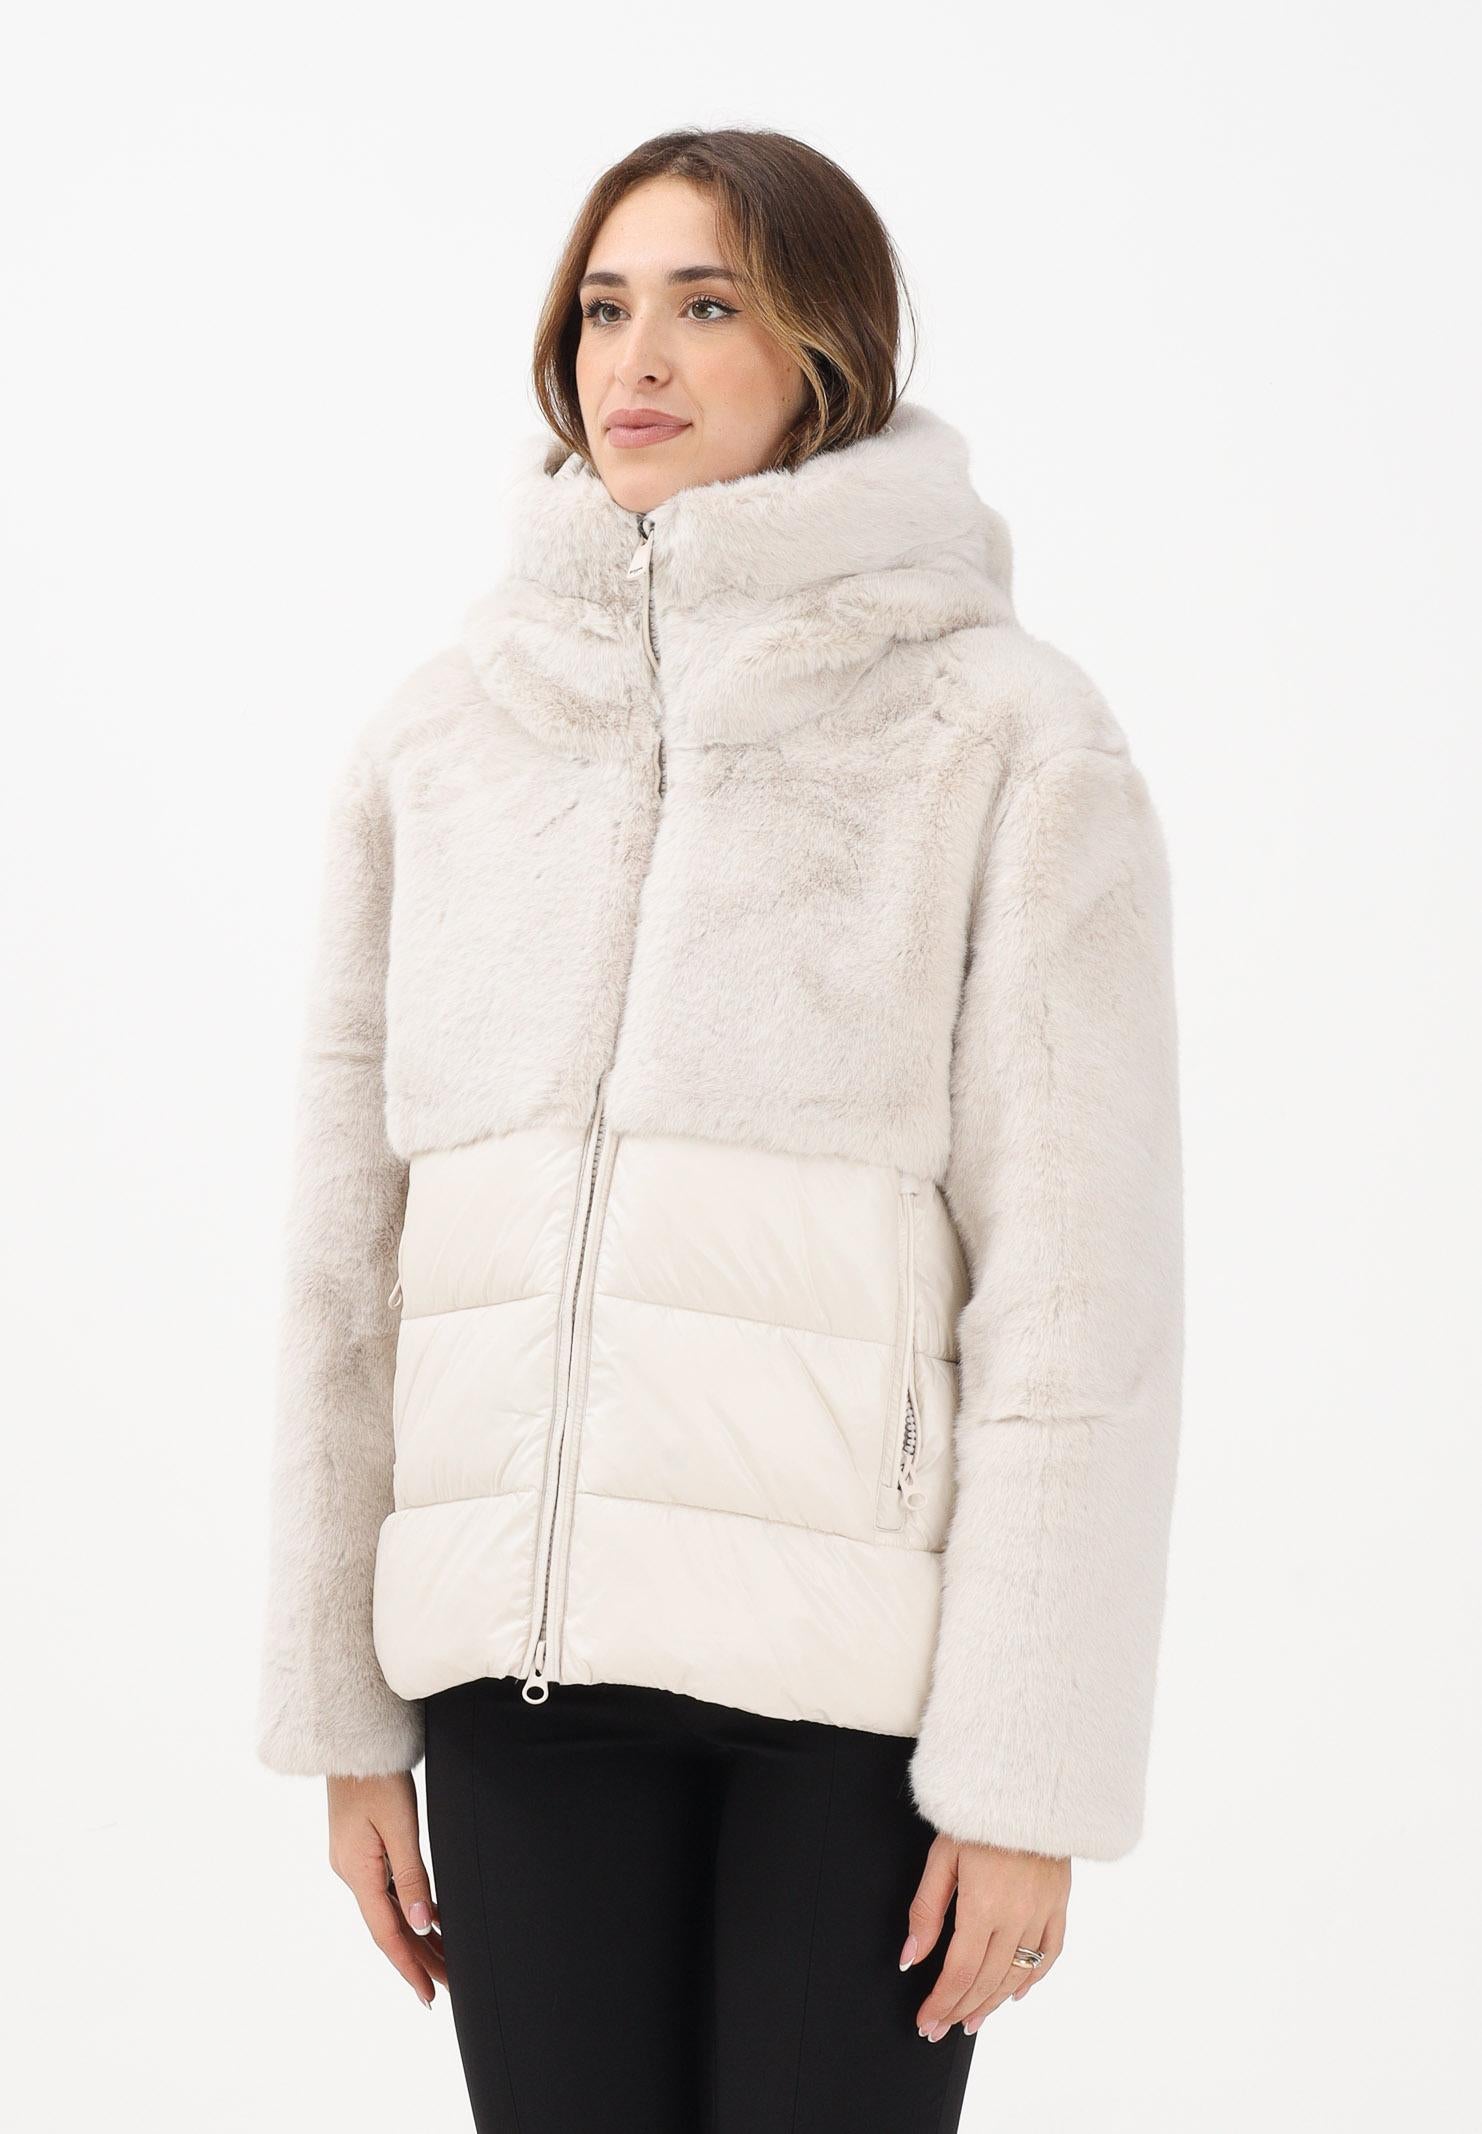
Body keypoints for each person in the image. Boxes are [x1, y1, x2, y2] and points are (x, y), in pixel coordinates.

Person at [255, 125, 1184, 2133]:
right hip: (518, 1697)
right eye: (605, 307)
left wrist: (1029, 1777)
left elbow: (1078, 1294)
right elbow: (347, 1267)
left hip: (851, 1717)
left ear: (825, 349)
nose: (638, 357)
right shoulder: (439, 742)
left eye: (706, 303)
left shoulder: (1004, 738)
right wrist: (345, 1717)